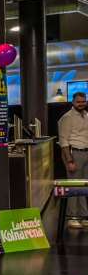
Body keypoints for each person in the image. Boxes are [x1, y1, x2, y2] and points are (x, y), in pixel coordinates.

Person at [59, 92, 88, 231]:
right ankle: (72, 217)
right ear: (73, 102)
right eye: (78, 102)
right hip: (74, 153)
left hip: (86, 153)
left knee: (83, 186)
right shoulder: (67, 118)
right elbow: (63, 141)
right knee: (73, 186)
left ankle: (83, 216)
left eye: (83, 101)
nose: (81, 104)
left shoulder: (87, 116)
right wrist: (69, 160)